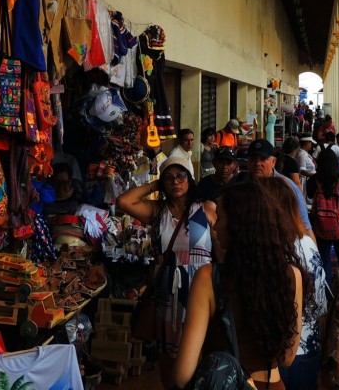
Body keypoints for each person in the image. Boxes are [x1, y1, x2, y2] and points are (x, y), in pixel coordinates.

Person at [173, 181, 304, 390]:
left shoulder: (208, 277)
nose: (214, 225)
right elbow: (287, 358)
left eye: (221, 217)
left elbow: (182, 374)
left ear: (237, 225)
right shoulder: (293, 276)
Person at [116, 153, 215, 384]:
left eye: (181, 176)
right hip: (167, 294)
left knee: (201, 355)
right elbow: (123, 202)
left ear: (190, 178)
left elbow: (221, 248)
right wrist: (154, 184)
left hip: (200, 291)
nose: (175, 182)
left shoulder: (206, 209)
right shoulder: (157, 212)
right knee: (169, 360)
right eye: (169, 178)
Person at [260, 179, 327, 390]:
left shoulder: (261, 248)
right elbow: (320, 305)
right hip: (306, 349)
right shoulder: (307, 243)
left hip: (270, 351)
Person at [235, 139, 313, 239]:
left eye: (263, 159)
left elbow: (305, 226)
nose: (258, 163)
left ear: (273, 161)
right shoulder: (239, 181)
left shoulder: (288, 187)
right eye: (253, 158)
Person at [305, 147, 339, 288]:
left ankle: (327, 297)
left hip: (320, 228)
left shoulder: (314, 181)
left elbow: (309, 196)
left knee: (324, 260)